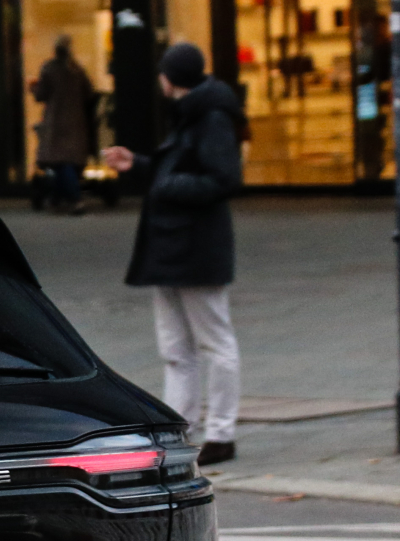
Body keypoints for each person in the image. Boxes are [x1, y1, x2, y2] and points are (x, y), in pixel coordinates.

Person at [103, 41, 244, 466]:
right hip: (174, 246)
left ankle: (221, 433)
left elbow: (223, 178)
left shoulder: (210, 115)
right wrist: (142, 166)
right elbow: (184, 169)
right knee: (176, 347)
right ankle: (180, 429)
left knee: (212, 341)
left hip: (193, 246)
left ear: (170, 78)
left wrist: (165, 185)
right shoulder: (195, 112)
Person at [27, 35, 97, 213]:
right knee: (67, 162)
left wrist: (33, 87)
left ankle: (74, 198)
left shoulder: (49, 69)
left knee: (60, 162)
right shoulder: (77, 70)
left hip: (56, 123)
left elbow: (41, 94)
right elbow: (89, 93)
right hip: (76, 122)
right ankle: (58, 198)